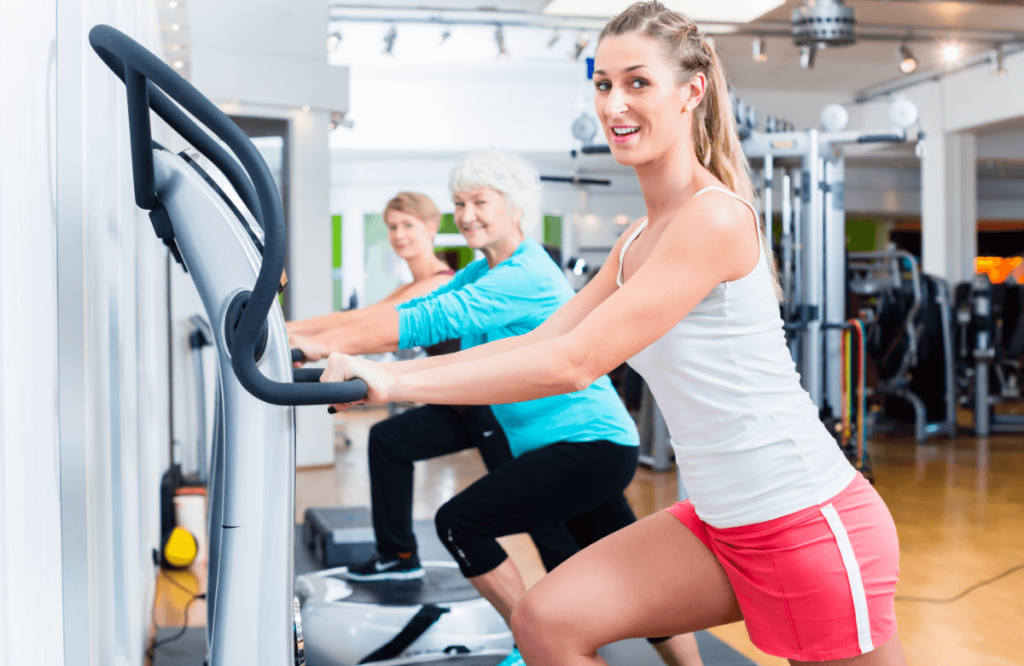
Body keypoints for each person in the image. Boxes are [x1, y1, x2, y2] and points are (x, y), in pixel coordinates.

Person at [320, 3, 906, 665]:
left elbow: (573, 362)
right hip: (719, 525)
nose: (614, 103)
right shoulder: (636, 238)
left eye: (637, 82)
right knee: (547, 621)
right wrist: (385, 374)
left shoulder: (712, 219)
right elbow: (540, 341)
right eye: (603, 84)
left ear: (692, 91)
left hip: (806, 522)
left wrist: (392, 382)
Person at [309, 148, 703, 666]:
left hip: (587, 445)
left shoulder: (524, 274)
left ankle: (533, 644)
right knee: (639, 579)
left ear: (514, 207)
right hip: (578, 446)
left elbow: (429, 321)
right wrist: (304, 338)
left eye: (479, 202)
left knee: (460, 522)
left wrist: (321, 347)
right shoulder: (479, 271)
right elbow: (422, 311)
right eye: (459, 204)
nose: (466, 215)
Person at [287, 191, 456, 359]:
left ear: (431, 228)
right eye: (392, 227)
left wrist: (300, 335)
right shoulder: (407, 287)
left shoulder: (443, 282)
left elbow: (368, 318)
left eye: (408, 225)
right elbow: (362, 318)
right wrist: (291, 333)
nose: (398, 235)